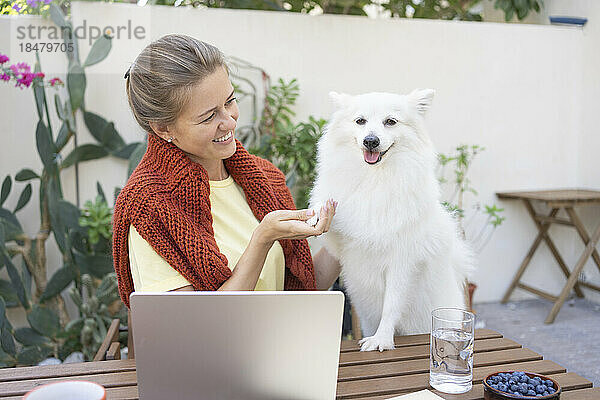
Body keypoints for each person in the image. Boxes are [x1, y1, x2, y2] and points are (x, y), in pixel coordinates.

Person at [112, 34, 340, 307]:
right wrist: (263, 238)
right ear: (163, 128)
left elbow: (300, 291)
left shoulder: (265, 178)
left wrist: (357, 227)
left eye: (230, 101)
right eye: (209, 116)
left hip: (281, 346)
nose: (229, 122)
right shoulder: (148, 206)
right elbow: (191, 330)